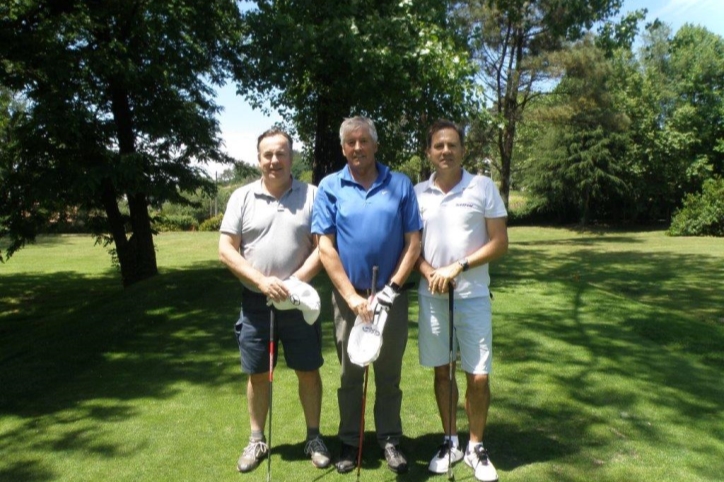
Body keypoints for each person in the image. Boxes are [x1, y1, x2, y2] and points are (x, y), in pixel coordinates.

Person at [312, 116, 422, 474]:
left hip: (391, 298)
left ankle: (389, 439)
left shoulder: (401, 185)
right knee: (350, 375)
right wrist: (351, 296)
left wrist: (391, 290)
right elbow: (325, 247)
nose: (357, 148)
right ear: (343, 148)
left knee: (388, 375)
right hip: (349, 300)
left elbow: (413, 243)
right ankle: (350, 442)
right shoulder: (330, 186)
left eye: (363, 141)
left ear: (375, 144)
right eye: (350, 143)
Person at [218, 128, 331, 473]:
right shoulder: (242, 197)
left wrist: (293, 283)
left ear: (291, 156)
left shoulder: (312, 195)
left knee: (308, 372)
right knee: (257, 375)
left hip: (299, 303)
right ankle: (256, 439)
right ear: (258, 159)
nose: (274, 160)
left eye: (281, 153)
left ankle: (313, 436)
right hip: (256, 304)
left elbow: (322, 247)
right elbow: (226, 249)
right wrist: (262, 282)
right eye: (267, 154)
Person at [414, 120, 508, 482]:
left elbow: (500, 243)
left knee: (478, 376)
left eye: (452, 145)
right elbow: (412, 245)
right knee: (443, 370)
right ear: (429, 152)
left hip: (473, 296)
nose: (445, 151)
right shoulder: (418, 192)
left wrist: (458, 266)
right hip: (433, 295)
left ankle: (476, 446)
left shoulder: (482, 187)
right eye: (438, 146)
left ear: (462, 150)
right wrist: (428, 271)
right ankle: (450, 440)